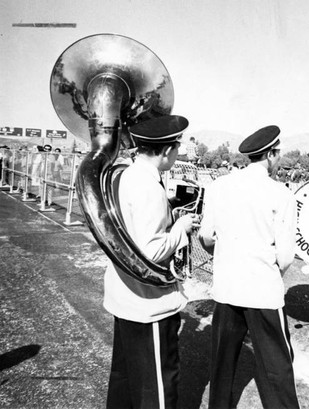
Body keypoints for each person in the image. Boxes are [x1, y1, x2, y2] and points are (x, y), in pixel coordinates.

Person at [198, 125, 300, 409]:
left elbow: (206, 237)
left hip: (227, 288)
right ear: (269, 154)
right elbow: (286, 256)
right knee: (277, 367)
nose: (279, 160)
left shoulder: (219, 186)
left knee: (222, 364)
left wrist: (226, 258)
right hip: (262, 291)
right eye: (278, 154)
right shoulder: (281, 194)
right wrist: (270, 272)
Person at [104, 115, 198, 409]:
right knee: (157, 389)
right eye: (177, 147)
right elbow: (150, 251)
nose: (178, 152)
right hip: (149, 306)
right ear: (167, 150)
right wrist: (179, 230)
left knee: (124, 380)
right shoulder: (148, 187)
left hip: (124, 296)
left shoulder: (126, 176)